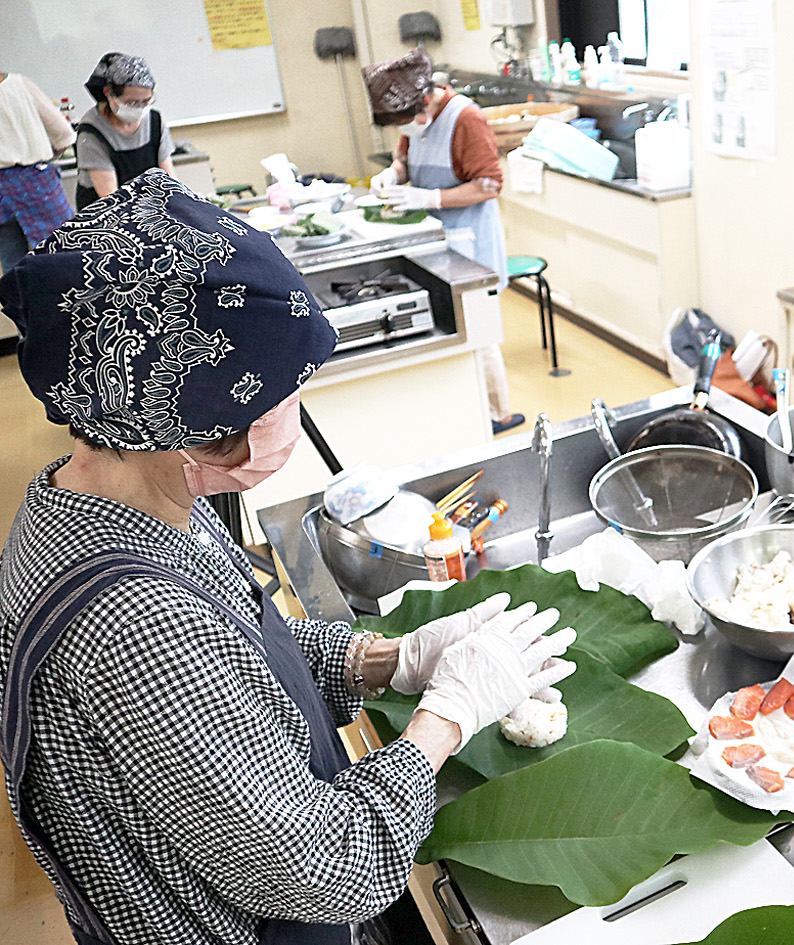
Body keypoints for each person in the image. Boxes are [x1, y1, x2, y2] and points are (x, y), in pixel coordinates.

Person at [0, 170, 576, 945]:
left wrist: (386, 659)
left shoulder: (120, 494)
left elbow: (233, 650)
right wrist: (445, 717)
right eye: (271, 399)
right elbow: (328, 867)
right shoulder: (131, 621)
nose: (288, 419)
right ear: (190, 422)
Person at [360, 49, 525, 435]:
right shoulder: (412, 121)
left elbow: (489, 185)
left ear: (426, 100)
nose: (406, 130)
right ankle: (466, 409)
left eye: (407, 122)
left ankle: (499, 415)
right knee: (447, 327)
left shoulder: (466, 118)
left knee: (479, 332)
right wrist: (393, 175)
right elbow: (405, 159)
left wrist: (430, 198)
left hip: (470, 242)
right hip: (433, 238)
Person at [73, 52, 177, 210]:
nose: (140, 108)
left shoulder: (155, 121)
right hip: (107, 216)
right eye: (132, 102)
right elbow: (112, 199)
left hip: (147, 210)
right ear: (109, 93)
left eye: (146, 101)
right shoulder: (91, 133)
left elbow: (169, 180)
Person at [0, 69, 74, 273]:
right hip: (36, 182)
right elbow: (63, 133)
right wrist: (48, 153)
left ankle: (20, 305)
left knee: (13, 265)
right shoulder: (20, 84)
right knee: (63, 254)